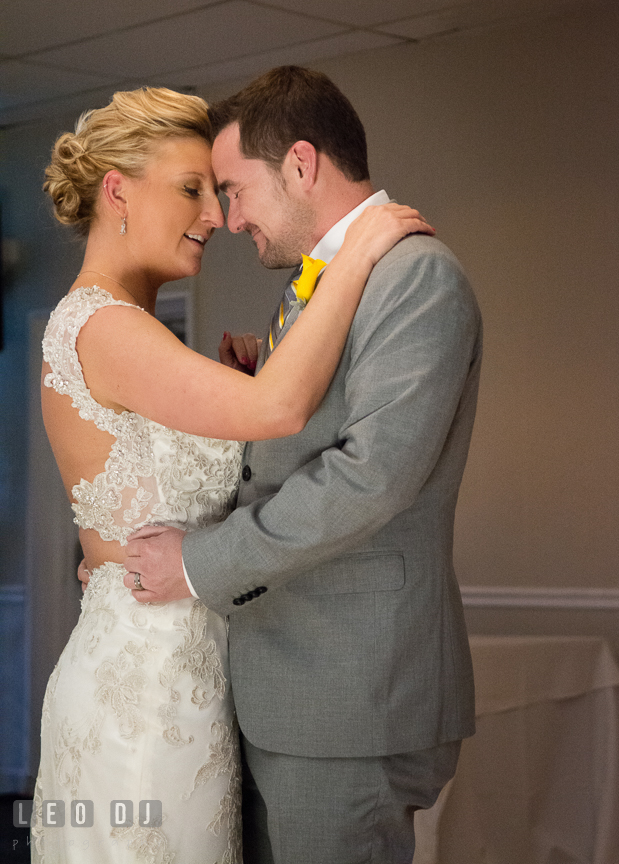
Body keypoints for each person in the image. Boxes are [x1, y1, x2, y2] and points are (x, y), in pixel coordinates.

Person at [33, 84, 432, 864]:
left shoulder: (136, 329)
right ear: (117, 190)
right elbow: (280, 410)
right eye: (192, 191)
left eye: (217, 193)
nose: (216, 217)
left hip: (195, 687)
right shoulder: (103, 324)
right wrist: (351, 259)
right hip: (140, 700)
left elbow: (192, 470)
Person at [122, 66, 482, 864]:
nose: (224, 216)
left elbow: (371, 477)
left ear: (302, 163)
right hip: (301, 687)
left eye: (233, 188)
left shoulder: (413, 276)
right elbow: (320, 434)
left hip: (349, 694)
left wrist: (197, 563)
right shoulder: (320, 281)